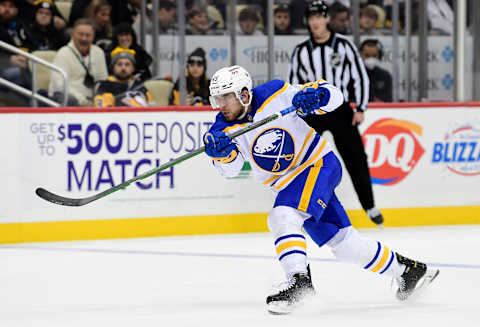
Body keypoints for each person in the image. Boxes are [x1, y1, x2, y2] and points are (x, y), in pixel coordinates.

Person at [203, 64, 439, 314]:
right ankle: (409, 272)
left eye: (226, 97)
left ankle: (299, 284)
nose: (221, 105)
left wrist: (319, 95)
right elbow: (231, 169)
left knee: (282, 215)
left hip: (317, 165)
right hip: (292, 185)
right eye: (217, 98)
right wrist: (223, 154)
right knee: (345, 245)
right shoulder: (220, 129)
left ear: (244, 94)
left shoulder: (275, 92)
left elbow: (334, 97)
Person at [288, 0, 384, 226]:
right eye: (311, 19)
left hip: (339, 108)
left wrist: (360, 107)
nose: (315, 23)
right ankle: (299, 205)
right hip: (312, 110)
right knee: (302, 157)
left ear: (327, 19)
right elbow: (293, 83)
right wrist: (296, 112)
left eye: (319, 18)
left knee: (356, 158)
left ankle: (369, 206)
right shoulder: (301, 51)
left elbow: (359, 76)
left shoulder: (344, 46)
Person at [49, 18, 108, 106]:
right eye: (80, 34)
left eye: (88, 35)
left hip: (91, 101)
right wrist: (83, 101)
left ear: (93, 37)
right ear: (72, 35)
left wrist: (98, 100)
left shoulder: (99, 52)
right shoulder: (63, 53)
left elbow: (102, 81)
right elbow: (60, 85)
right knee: (70, 100)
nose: (84, 39)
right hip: (68, 98)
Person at [0, 0, 33, 91]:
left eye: (11, 6)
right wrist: (9, 59)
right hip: (4, 65)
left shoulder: (22, 26)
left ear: (16, 10)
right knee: (18, 73)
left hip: (24, 63)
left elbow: (32, 44)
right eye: (3, 5)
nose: (7, 9)